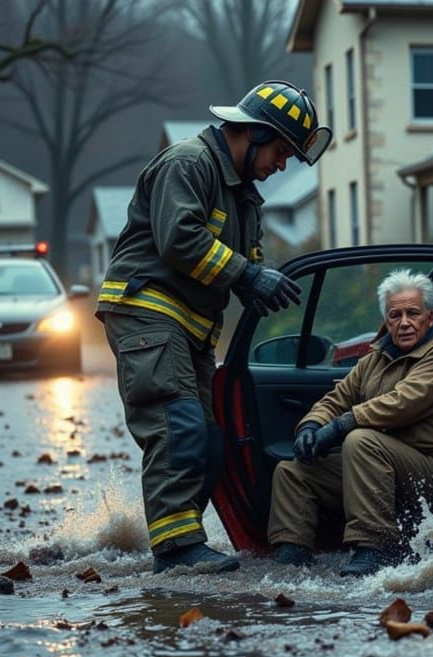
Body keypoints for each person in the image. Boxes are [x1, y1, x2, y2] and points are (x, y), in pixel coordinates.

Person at [96, 81, 332, 574]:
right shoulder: (189, 162)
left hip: (191, 328)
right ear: (255, 132)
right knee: (178, 429)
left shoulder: (244, 196)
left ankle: (183, 541)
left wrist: (254, 279)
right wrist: (245, 275)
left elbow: (247, 255)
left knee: (208, 440)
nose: (281, 165)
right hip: (148, 311)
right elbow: (179, 239)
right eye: (281, 151)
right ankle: (177, 554)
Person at [267, 269, 433, 577]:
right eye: (395, 315)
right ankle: (291, 558)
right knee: (294, 471)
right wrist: (310, 426)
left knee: (360, 439)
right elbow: (337, 398)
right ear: (386, 320)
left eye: (412, 313)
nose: (403, 322)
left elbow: (401, 403)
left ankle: (375, 548)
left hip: (430, 476)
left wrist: (338, 427)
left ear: (430, 317)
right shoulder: (374, 360)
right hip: (376, 469)